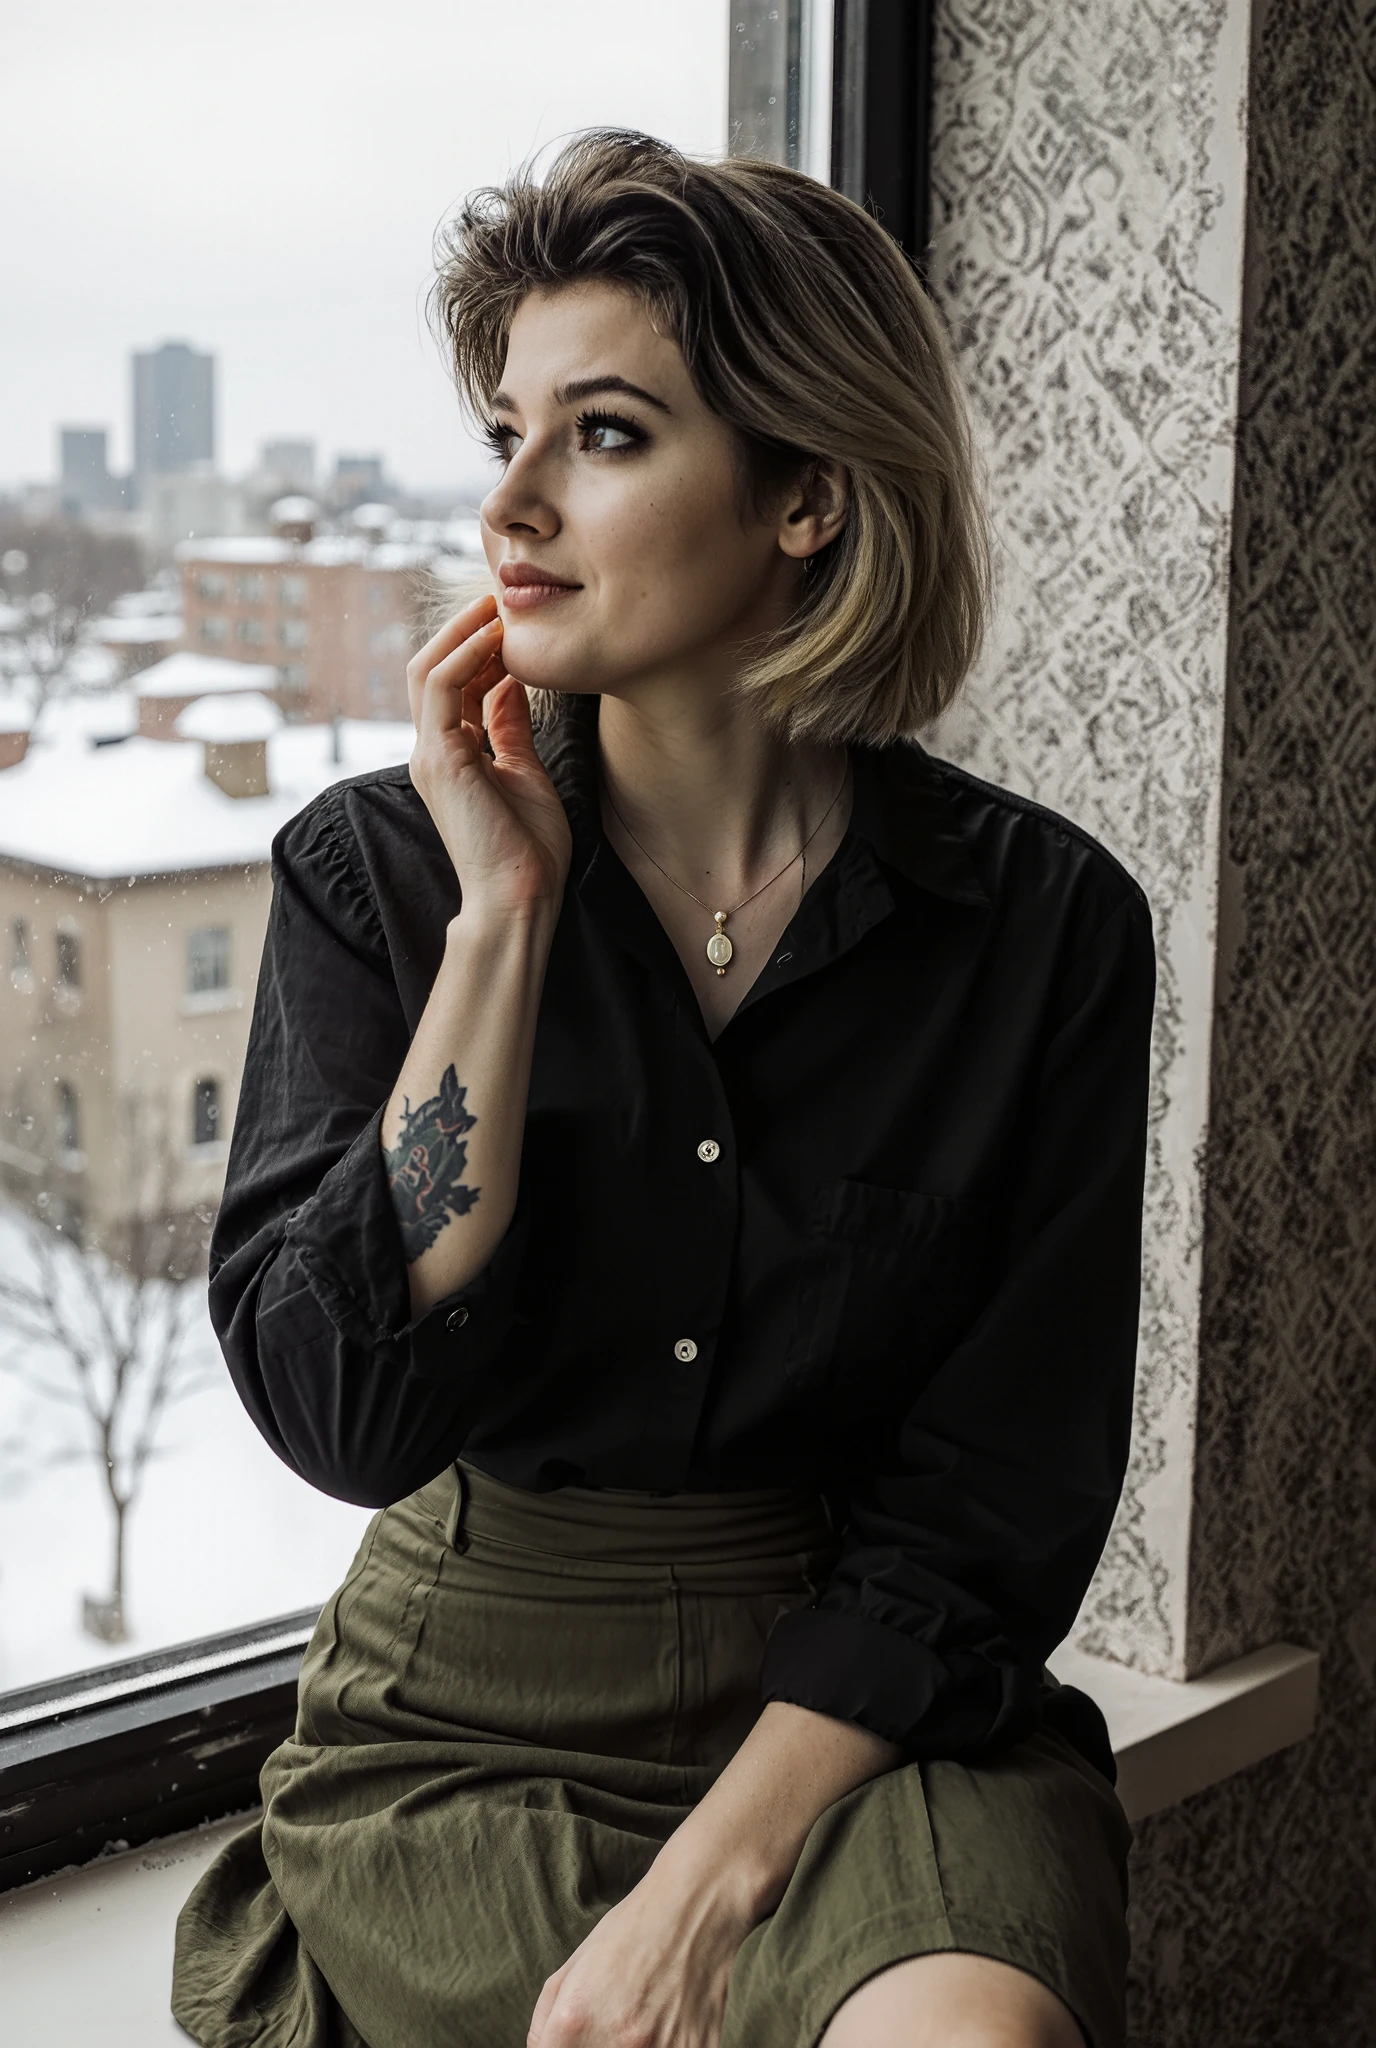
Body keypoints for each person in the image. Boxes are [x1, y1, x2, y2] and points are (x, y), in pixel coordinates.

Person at [171, 130, 1154, 2048]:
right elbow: (343, 1412)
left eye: (602, 435)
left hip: (862, 1712)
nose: (512, 506)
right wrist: (505, 918)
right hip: (467, 1715)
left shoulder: (1041, 927)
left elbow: (995, 1497)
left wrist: (713, 1888)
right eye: (504, 435)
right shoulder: (380, 877)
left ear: (805, 494)